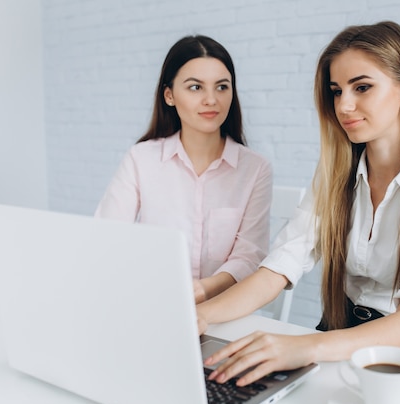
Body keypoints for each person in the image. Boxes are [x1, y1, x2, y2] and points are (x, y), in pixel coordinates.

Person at [198, 21, 400, 387]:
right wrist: (200, 315)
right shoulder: (334, 178)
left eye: (362, 87)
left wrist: (305, 346)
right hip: (332, 337)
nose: (344, 105)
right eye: (336, 91)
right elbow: (278, 268)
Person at [95, 35, 273, 303]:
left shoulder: (256, 169)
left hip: (224, 311)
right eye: (195, 87)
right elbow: (108, 236)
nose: (211, 99)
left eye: (222, 87)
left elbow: (249, 255)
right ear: (169, 95)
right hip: (152, 302)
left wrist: (204, 289)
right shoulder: (141, 159)